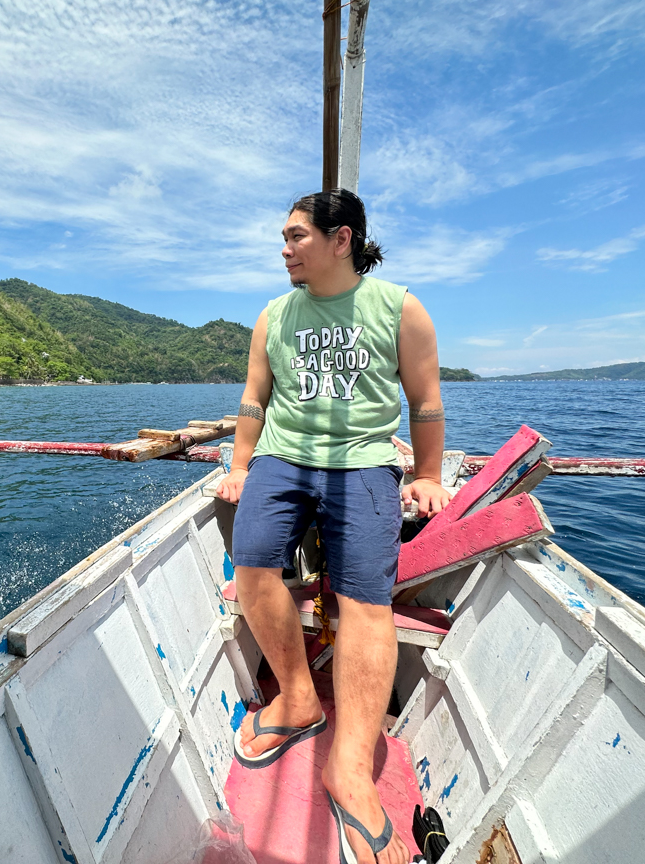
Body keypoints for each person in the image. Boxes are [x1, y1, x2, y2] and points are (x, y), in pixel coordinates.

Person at [215, 189, 450, 864]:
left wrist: (428, 475)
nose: (284, 248)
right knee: (252, 564)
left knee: (366, 601)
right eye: (284, 238)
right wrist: (240, 465)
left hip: (365, 461)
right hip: (283, 458)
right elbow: (255, 398)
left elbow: (424, 400)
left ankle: (349, 769)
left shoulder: (399, 309)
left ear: (341, 238)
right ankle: (296, 699)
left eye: (296, 236)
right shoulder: (274, 316)